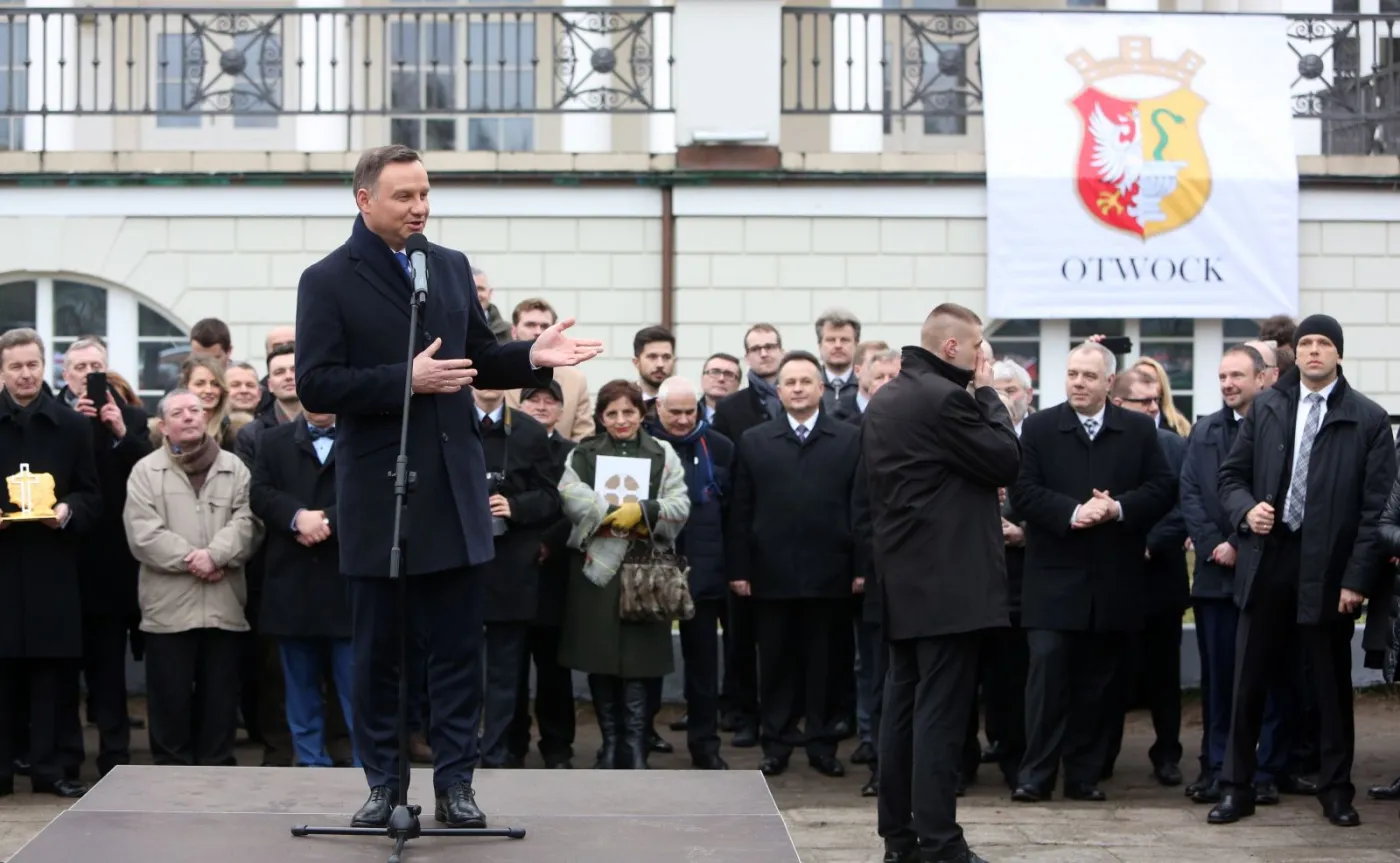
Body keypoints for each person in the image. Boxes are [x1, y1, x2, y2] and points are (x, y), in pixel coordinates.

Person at [294, 144, 602, 830]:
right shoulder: (327, 279)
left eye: (425, 194)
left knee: (459, 654)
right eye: (404, 196)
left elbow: (477, 357)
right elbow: (316, 383)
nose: (420, 208)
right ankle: (383, 784)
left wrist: (530, 356)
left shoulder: (451, 266)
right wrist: (404, 379)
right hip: (381, 496)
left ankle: (457, 784)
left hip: (455, 495)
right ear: (364, 200)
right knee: (380, 656)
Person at [1212, 314, 1395, 828]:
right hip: (1268, 558)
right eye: (1306, 342)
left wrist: (1356, 579)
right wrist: (1246, 510)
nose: (1314, 351)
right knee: (1248, 682)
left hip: (1329, 568)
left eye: (1324, 343)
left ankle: (1336, 791)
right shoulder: (1269, 406)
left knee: (1330, 688)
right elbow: (1230, 477)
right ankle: (1236, 788)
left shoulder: (1368, 419)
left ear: (1338, 353)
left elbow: (1376, 511)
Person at [862, 304, 1020, 863]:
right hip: (949, 583)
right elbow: (1005, 459)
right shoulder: (947, 398)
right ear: (953, 347)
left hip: (903, 580)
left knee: (902, 709)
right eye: (978, 348)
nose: (982, 359)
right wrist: (988, 392)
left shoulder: (887, 398)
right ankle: (939, 842)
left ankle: (900, 839)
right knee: (939, 716)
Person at [557, 380, 691, 769]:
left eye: (628, 412)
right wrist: (610, 514)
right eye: (611, 413)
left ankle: (635, 746)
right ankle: (611, 743)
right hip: (596, 572)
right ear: (601, 417)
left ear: (641, 414)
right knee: (599, 658)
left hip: (646, 571)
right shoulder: (584, 453)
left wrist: (644, 511)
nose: (620, 420)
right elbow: (569, 494)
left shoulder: (662, 453)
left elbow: (679, 502)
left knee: (640, 661)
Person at [0, 328, 101, 799]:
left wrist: (67, 511)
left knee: (53, 677)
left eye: (32, 365)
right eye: (15, 366)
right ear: (2, 371)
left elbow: (91, 494)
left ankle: (53, 767)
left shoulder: (72, 426)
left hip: (52, 567)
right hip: (2, 568)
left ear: (45, 367)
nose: (25, 374)